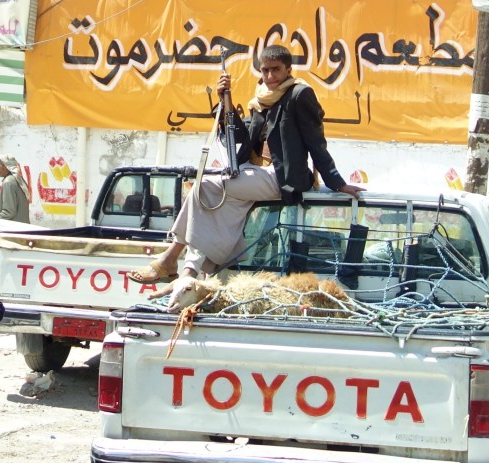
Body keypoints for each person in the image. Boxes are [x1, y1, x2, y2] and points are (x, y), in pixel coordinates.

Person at [127, 45, 365, 291]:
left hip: (280, 177)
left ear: (288, 70)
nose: (270, 77)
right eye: (265, 71)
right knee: (214, 206)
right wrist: (225, 100)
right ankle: (190, 272)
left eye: (276, 70)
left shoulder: (299, 95)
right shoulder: (261, 97)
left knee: (205, 187)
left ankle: (169, 258)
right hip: (253, 172)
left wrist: (337, 182)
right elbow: (243, 135)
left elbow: (316, 142)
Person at [0, 154, 31, 223]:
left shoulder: (8, 182)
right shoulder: (18, 179)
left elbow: (9, 212)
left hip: (13, 228)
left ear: (6, 166)